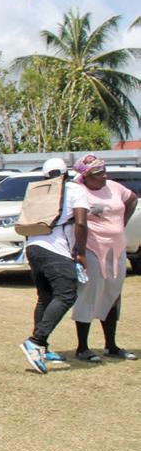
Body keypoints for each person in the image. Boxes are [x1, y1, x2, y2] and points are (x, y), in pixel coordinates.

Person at [19, 158, 90, 374]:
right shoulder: (75, 189)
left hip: (33, 247)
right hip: (57, 250)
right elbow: (81, 222)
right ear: (66, 173)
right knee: (67, 295)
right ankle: (36, 341)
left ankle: (42, 349)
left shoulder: (38, 191)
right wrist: (81, 252)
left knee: (45, 298)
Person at [71, 154, 138, 362]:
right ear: (85, 176)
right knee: (88, 295)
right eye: (98, 173)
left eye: (104, 171)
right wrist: (80, 252)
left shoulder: (114, 187)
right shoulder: (77, 190)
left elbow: (132, 199)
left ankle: (111, 345)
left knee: (112, 294)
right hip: (91, 249)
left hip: (116, 249)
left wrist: (120, 224)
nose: (104, 176)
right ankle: (83, 348)